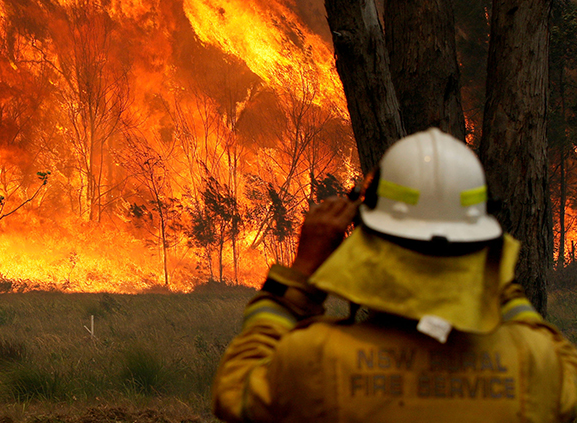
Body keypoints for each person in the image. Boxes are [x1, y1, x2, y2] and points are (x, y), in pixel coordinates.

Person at [212, 128, 577, 423]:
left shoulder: (317, 358)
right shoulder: (537, 362)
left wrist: (301, 272)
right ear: (479, 243)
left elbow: (236, 390)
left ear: (369, 241)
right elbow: (549, 345)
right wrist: (491, 272)